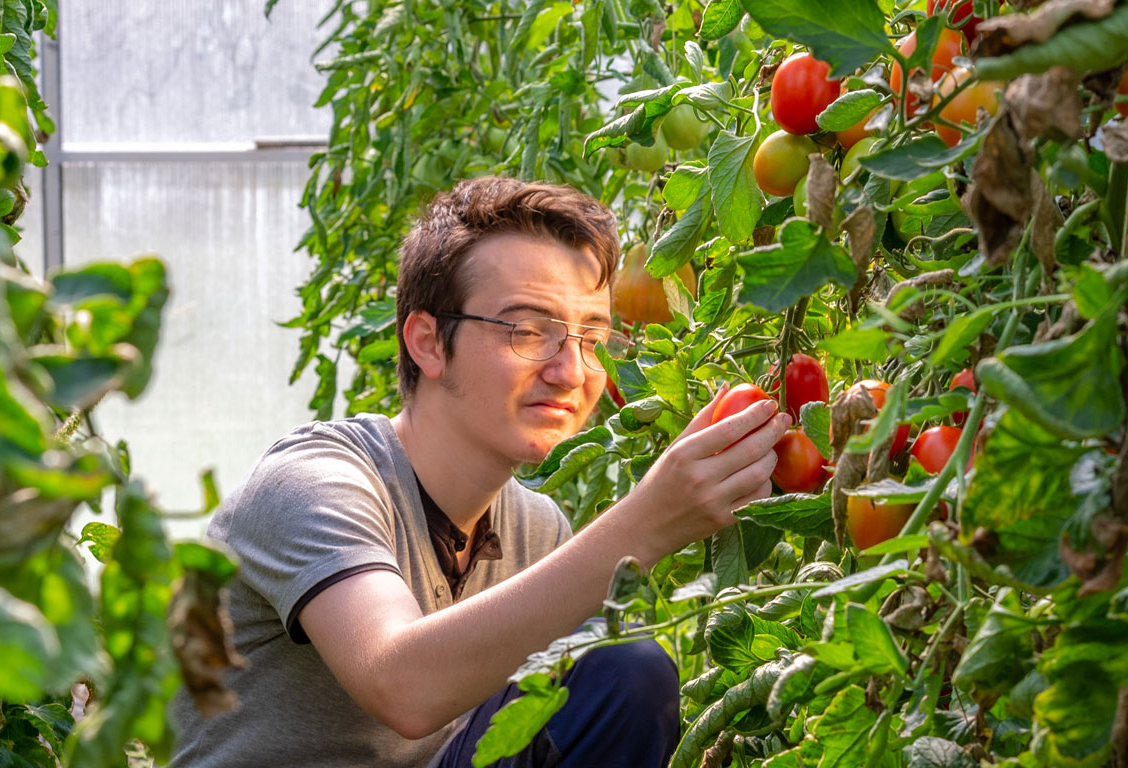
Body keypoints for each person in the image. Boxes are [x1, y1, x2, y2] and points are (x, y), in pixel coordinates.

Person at [165, 177, 789, 767]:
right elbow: (401, 682)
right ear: (428, 342)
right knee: (624, 666)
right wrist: (647, 523)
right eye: (526, 330)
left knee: (624, 673)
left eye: (592, 340)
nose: (572, 372)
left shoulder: (536, 532)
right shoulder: (315, 482)